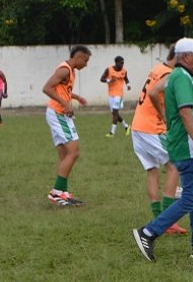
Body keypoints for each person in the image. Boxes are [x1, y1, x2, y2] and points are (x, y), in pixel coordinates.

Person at [133, 38, 193, 261]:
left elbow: (156, 93)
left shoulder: (185, 77)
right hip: (188, 148)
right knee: (192, 198)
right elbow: (185, 112)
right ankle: (148, 232)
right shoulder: (181, 78)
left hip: (189, 146)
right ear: (185, 57)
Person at [131, 46, 186, 235]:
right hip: (151, 128)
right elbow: (154, 93)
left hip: (137, 126)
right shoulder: (170, 73)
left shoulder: (157, 68)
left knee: (152, 171)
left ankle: (158, 218)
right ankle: (168, 221)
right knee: (175, 165)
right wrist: (164, 115)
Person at [42, 45, 91, 206]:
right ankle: (57, 192)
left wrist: (75, 97)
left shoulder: (70, 70)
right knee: (74, 152)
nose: (86, 64)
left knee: (64, 155)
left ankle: (62, 193)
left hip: (57, 113)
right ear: (78, 57)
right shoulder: (64, 70)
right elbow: (47, 88)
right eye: (86, 60)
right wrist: (65, 104)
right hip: (59, 114)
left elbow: (61, 89)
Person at [100, 56, 131, 137]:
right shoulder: (109, 69)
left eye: (123, 63)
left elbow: (126, 79)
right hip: (111, 95)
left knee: (115, 112)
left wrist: (128, 85)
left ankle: (112, 133)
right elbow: (102, 79)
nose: (122, 64)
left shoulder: (124, 71)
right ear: (116, 62)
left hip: (119, 95)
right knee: (114, 113)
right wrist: (109, 80)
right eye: (121, 63)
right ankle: (126, 126)